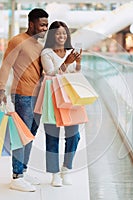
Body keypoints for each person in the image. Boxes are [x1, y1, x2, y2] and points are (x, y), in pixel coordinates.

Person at [0, 8, 49, 192]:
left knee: (30, 135)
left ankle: (23, 171)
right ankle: (16, 176)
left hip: (38, 97)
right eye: (42, 24)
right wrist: (1, 89)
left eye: (47, 25)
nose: (45, 28)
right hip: (22, 95)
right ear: (31, 23)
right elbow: (6, 65)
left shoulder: (41, 46)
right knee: (21, 136)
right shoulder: (17, 41)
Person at [40, 21, 82, 187]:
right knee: (52, 136)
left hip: (70, 96)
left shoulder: (71, 51)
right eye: (58, 33)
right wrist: (66, 62)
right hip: (53, 97)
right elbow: (50, 74)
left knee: (74, 135)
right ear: (52, 36)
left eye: (64, 33)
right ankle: (54, 173)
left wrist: (78, 62)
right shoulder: (47, 53)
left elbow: (76, 73)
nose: (61, 36)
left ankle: (66, 169)